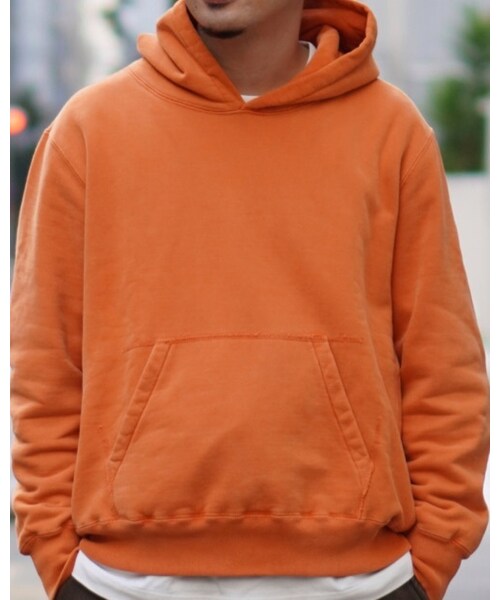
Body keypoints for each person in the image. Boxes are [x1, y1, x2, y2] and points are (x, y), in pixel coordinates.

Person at [10, 0, 490, 599]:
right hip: (123, 580)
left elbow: (443, 365)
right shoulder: (88, 130)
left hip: (359, 581)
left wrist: (435, 555)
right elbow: (44, 365)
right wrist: (58, 558)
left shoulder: (391, 132)